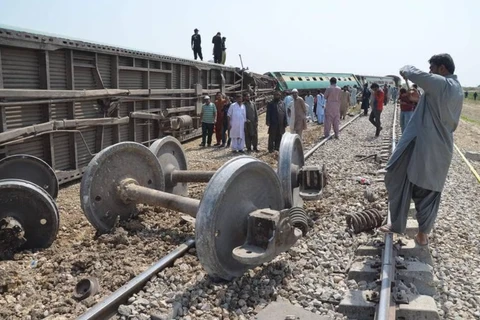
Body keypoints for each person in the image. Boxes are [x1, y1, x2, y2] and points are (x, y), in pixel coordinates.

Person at [379, 54, 463, 247]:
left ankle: (397, 223)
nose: (430, 72)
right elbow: (437, 109)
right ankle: (423, 235)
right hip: (442, 149)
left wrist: (406, 69)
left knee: (397, 175)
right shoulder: (457, 90)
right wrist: (420, 100)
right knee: (429, 191)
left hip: (425, 145)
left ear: (442, 69)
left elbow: (415, 74)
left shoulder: (442, 83)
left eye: (432, 68)